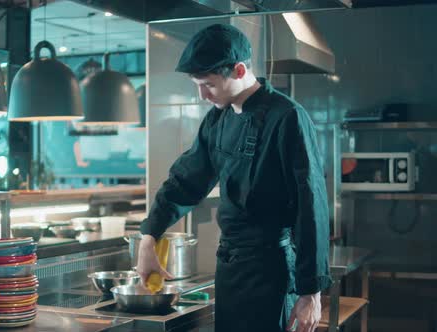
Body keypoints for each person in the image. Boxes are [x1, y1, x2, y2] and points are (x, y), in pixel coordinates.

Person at [137, 24, 332, 332]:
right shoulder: (218, 119)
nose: (202, 95)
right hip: (230, 269)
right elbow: (186, 181)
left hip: (273, 271)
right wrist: (149, 236)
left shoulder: (288, 118)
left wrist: (311, 292)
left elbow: (311, 208)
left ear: (239, 70)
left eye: (209, 85)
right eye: (196, 84)